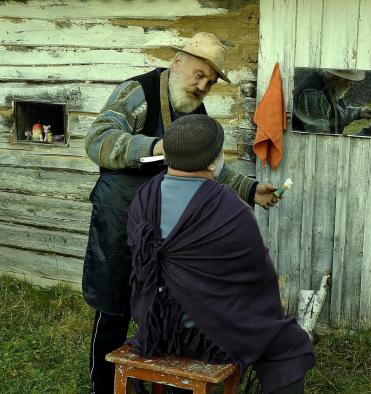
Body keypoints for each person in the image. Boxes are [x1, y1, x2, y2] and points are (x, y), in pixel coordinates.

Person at [83, 32, 279, 394]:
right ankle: (100, 385)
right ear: (177, 62)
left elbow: (207, 164)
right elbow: (97, 140)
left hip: (164, 226)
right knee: (113, 306)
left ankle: (149, 378)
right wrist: (158, 145)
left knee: (156, 304)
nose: (203, 84)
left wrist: (250, 189)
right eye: (198, 74)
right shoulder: (137, 93)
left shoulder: (193, 108)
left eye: (210, 80)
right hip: (120, 216)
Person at [127, 114, 315, 394]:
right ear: (214, 159)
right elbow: (258, 279)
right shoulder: (228, 208)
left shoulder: (144, 197)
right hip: (210, 335)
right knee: (290, 345)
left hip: (155, 326)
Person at [292, 69, 371, 134]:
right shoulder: (314, 94)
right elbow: (320, 136)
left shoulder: (331, 87)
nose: (350, 84)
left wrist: (358, 113)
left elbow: (335, 115)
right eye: (347, 80)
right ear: (334, 78)